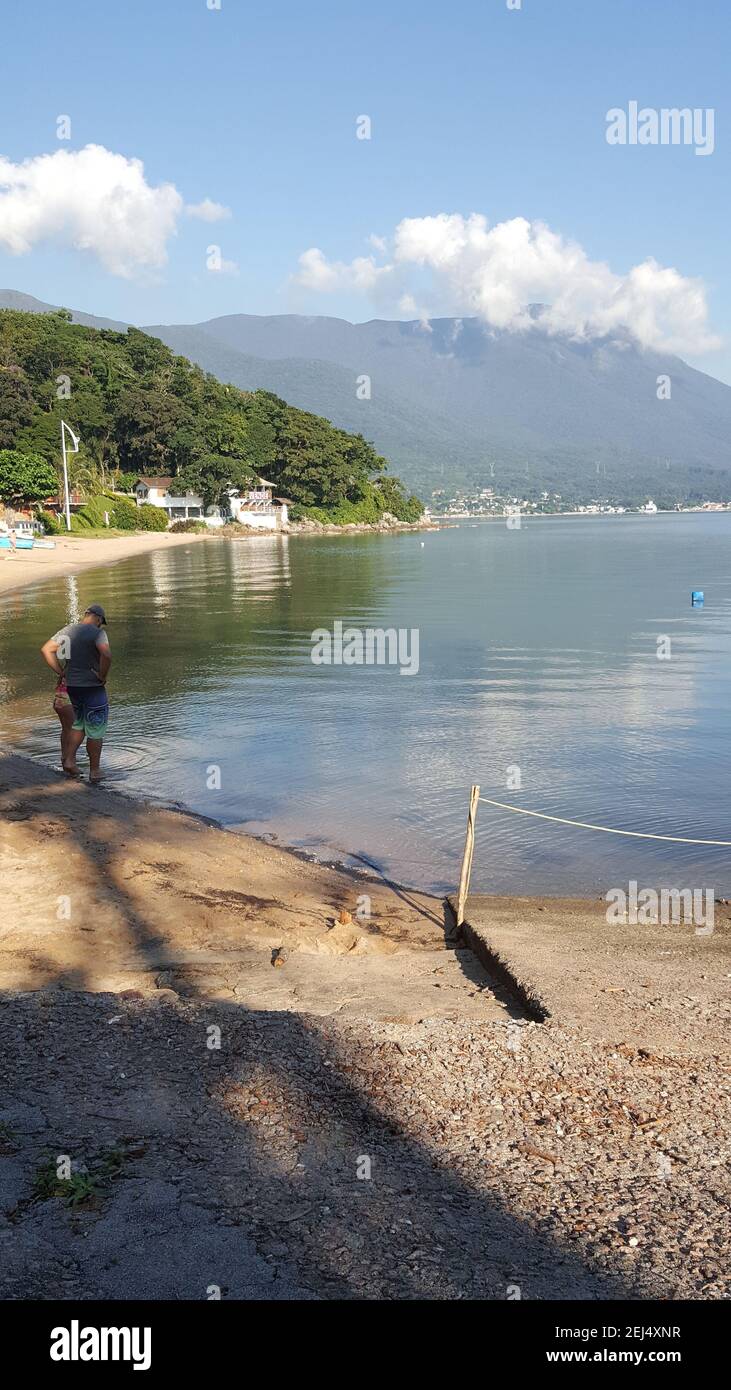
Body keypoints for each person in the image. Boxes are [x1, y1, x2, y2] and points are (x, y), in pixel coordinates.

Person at [40, 604, 111, 782]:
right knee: (95, 729)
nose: (100, 626)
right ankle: (95, 771)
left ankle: (69, 760)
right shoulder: (97, 633)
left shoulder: (67, 630)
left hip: (72, 688)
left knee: (79, 724)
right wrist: (102, 676)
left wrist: (61, 671)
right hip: (92, 687)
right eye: (101, 623)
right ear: (98, 619)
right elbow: (106, 655)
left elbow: (47, 649)